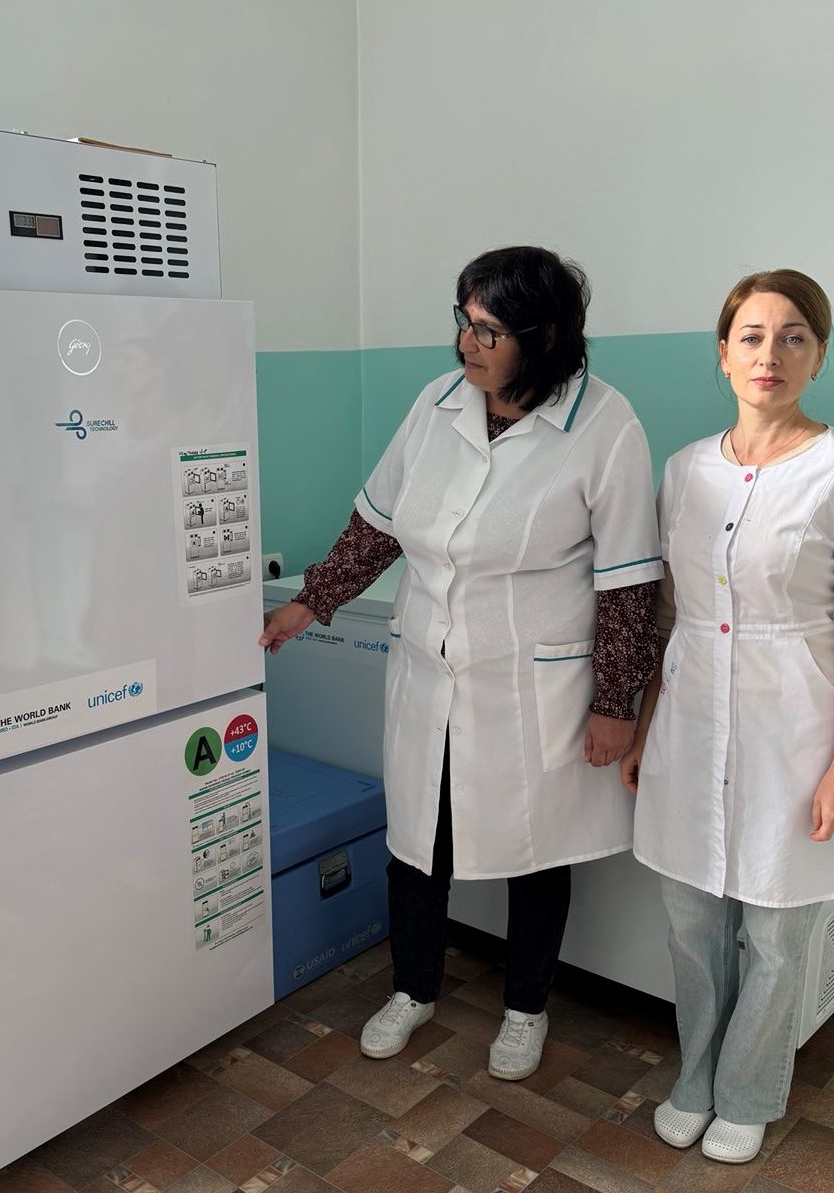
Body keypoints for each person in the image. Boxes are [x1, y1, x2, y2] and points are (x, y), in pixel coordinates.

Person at [261, 246, 662, 1079]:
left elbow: (628, 580)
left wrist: (615, 701)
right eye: (464, 322)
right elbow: (378, 523)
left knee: (536, 850)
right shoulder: (437, 403)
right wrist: (311, 600)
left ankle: (526, 1009)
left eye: (488, 330)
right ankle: (413, 989)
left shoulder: (604, 424)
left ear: (542, 336)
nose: (465, 344)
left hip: (534, 682)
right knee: (418, 841)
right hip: (428, 669)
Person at [622, 269, 834, 1162]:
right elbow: (667, 617)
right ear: (723, 353)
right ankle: (696, 1075)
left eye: (793, 337)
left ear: (819, 355)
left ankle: (747, 1094)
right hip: (688, 724)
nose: (770, 354)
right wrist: (644, 726)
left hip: (798, 733)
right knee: (691, 922)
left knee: (778, 932)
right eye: (751, 336)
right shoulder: (684, 470)